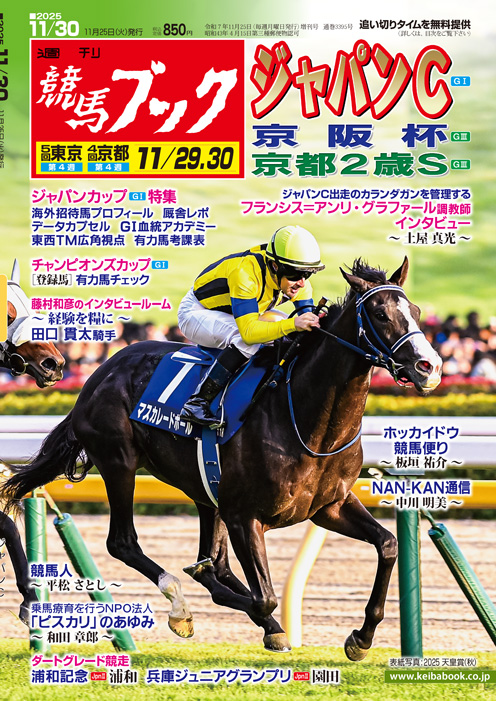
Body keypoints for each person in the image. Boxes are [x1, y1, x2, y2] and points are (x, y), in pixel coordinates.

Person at [177, 225, 325, 427]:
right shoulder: (245, 272)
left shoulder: (296, 280)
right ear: (275, 266)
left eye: (307, 274)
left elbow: (307, 320)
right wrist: (293, 323)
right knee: (249, 339)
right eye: (295, 274)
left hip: (235, 313)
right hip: (196, 312)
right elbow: (248, 333)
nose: (301, 282)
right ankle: (197, 402)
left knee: (289, 332)